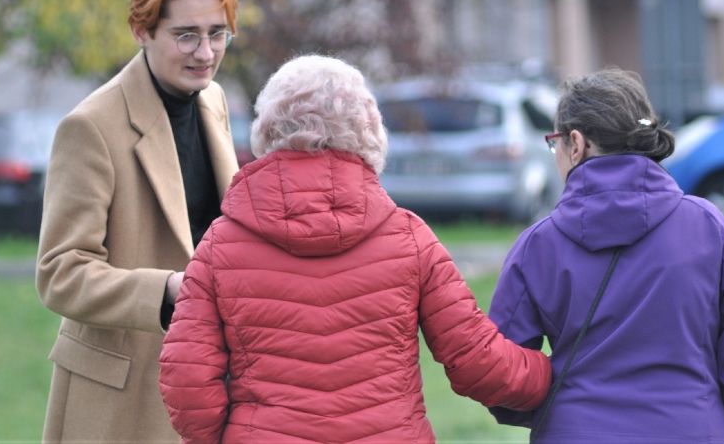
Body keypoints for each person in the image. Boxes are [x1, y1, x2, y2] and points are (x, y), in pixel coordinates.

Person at [158, 54, 552, 443]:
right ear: (367, 128)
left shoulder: (221, 244)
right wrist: (564, 375)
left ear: (268, 128)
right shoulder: (408, 237)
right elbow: (479, 362)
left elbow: (188, 381)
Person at [35, 0, 240, 443]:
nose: (205, 53)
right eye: (186, 35)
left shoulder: (213, 99)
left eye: (217, 34)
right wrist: (166, 290)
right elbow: (60, 273)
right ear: (141, 31)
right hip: (120, 400)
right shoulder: (89, 127)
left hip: (211, 382)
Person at [488, 68, 724, 443]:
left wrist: (559, 408)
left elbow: (502, 375)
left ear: (576, 144)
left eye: (554, 143)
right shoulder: (709, 227)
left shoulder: (537, 245)